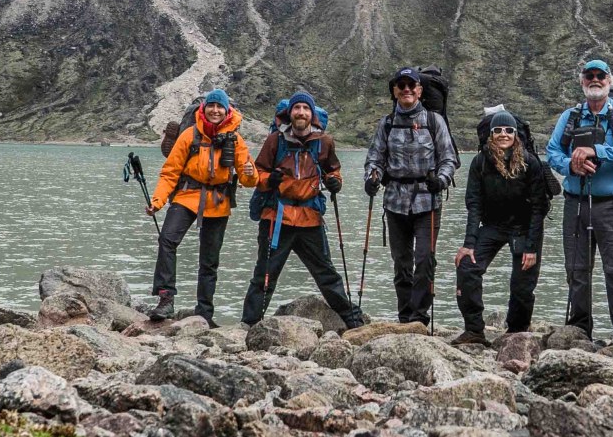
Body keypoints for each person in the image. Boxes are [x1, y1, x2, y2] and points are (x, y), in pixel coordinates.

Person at [239, 93, 368, 329]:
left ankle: (353, 320)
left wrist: (334, 182)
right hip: (277, 218)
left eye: (305, 108)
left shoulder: (324, 142)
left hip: (310, 219)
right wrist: (271, 178)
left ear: (312, 114)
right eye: (297, 108)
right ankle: (250, 324)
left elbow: (333, 170)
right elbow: (258, 175)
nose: (301, 112)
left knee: (326, 274)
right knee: (265, 275)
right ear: (290, 113)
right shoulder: (275, 141)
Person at [542, 58, 613, 344]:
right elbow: (552, 152)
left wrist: (595, 151)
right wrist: (571, 166)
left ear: (609, 81)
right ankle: (580, 332)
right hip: (576, 202)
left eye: (601, 75)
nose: (595, 80)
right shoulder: (569, 116)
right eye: (590, 76)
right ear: (582, 80)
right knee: (576, 271)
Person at [148, 89, 257, 323]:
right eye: (212, 106)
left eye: (220, 107)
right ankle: (166, 299)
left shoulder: (235, 140)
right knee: (167, 240)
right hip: (187, 195)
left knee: (209, 261)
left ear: (227, 111)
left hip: (218, 202)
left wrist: (250, 173)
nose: (215, 110)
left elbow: (249, 179)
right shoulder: (189, 134)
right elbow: (170, 172)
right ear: (204, 109)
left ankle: (204, 314)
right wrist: (158, 201)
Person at [365, 67, 459, 327]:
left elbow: (448, 157)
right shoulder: (386, 124)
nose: (406, 89)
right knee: (402, 263)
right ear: (395, 91)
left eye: (411, 85)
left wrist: (441, 179)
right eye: (401, 85)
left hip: (427, 200)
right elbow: (375, 158)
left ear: (419, 90)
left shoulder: (433, 121)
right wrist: (372, 178)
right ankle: (405, 316)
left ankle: (420, 316)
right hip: (395, 201)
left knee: (425, 259)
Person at [451, 108, 549, 343]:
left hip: (524, 227)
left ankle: (516, 331)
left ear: (516, 134)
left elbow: (539, 208)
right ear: (490, 134)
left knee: (522, 285)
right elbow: (474, 204)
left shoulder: (530, 162)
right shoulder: (480, 162)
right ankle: (474, 330)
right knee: (467, 267)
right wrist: (469, 244)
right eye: (498, 130)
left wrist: (532, 247)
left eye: (508, 130)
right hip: (493, 225)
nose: (503, 134)